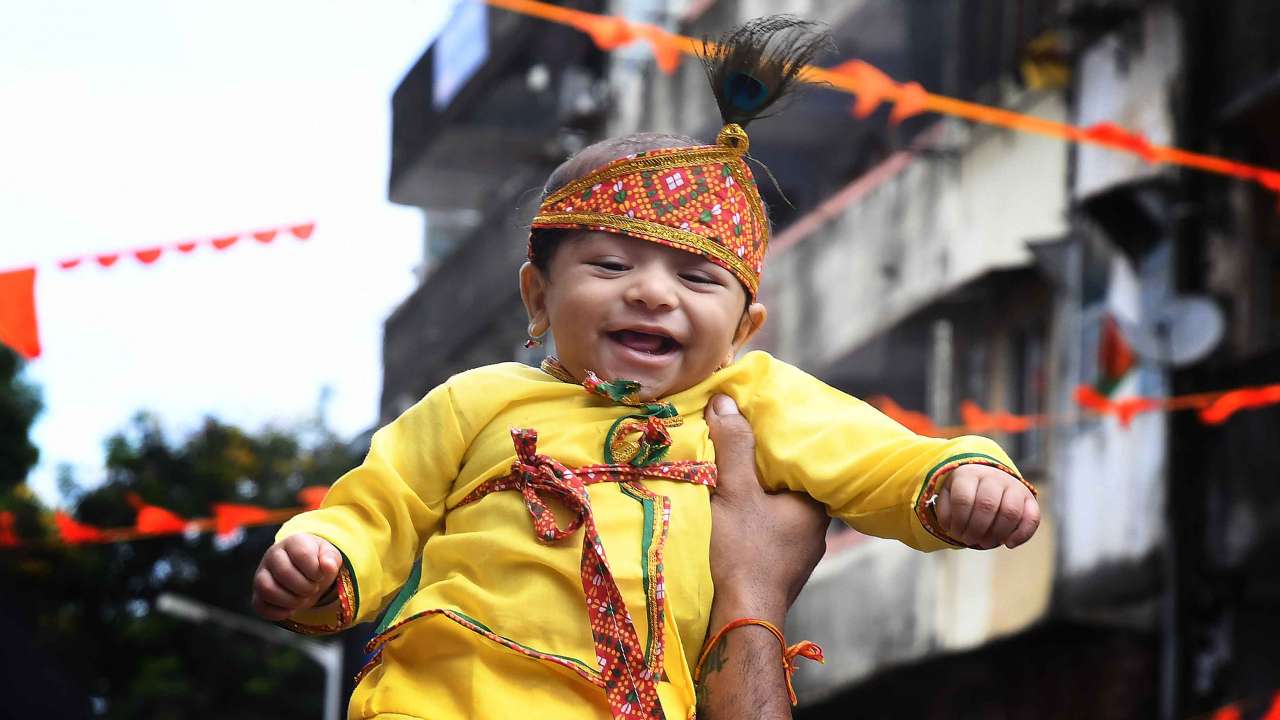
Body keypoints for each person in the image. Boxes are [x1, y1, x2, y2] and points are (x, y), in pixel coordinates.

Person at [250, 16, 1040, 720]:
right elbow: (377, 508)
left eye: (697, 279)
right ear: (538, 296)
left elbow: (887, 461)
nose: (652, 295)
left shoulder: (757, 403)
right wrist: (324, 559)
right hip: (444, 699)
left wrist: (964, 476)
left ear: (743, 330)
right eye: (611, 264)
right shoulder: (479, 401)